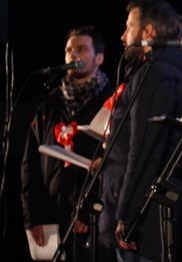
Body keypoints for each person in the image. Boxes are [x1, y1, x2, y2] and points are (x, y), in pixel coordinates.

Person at [99, 0, 182, 262]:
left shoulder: (155, 74)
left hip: (145, 216)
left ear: (148, 31)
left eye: (129, 27)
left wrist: (126, 213)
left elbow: (144, 148)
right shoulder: (175, 70)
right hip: (152, 207)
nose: (123, 36)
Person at [20, 26, 115, 262]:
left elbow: (116, 162)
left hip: (93, 219)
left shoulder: (112, 101)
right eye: (69, 50)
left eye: (81, 49)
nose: (73, 55)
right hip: (53, 215)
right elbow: (29, 162)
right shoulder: (49, 103)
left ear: (99, 58)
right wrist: (34, 216)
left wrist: (90, 208)